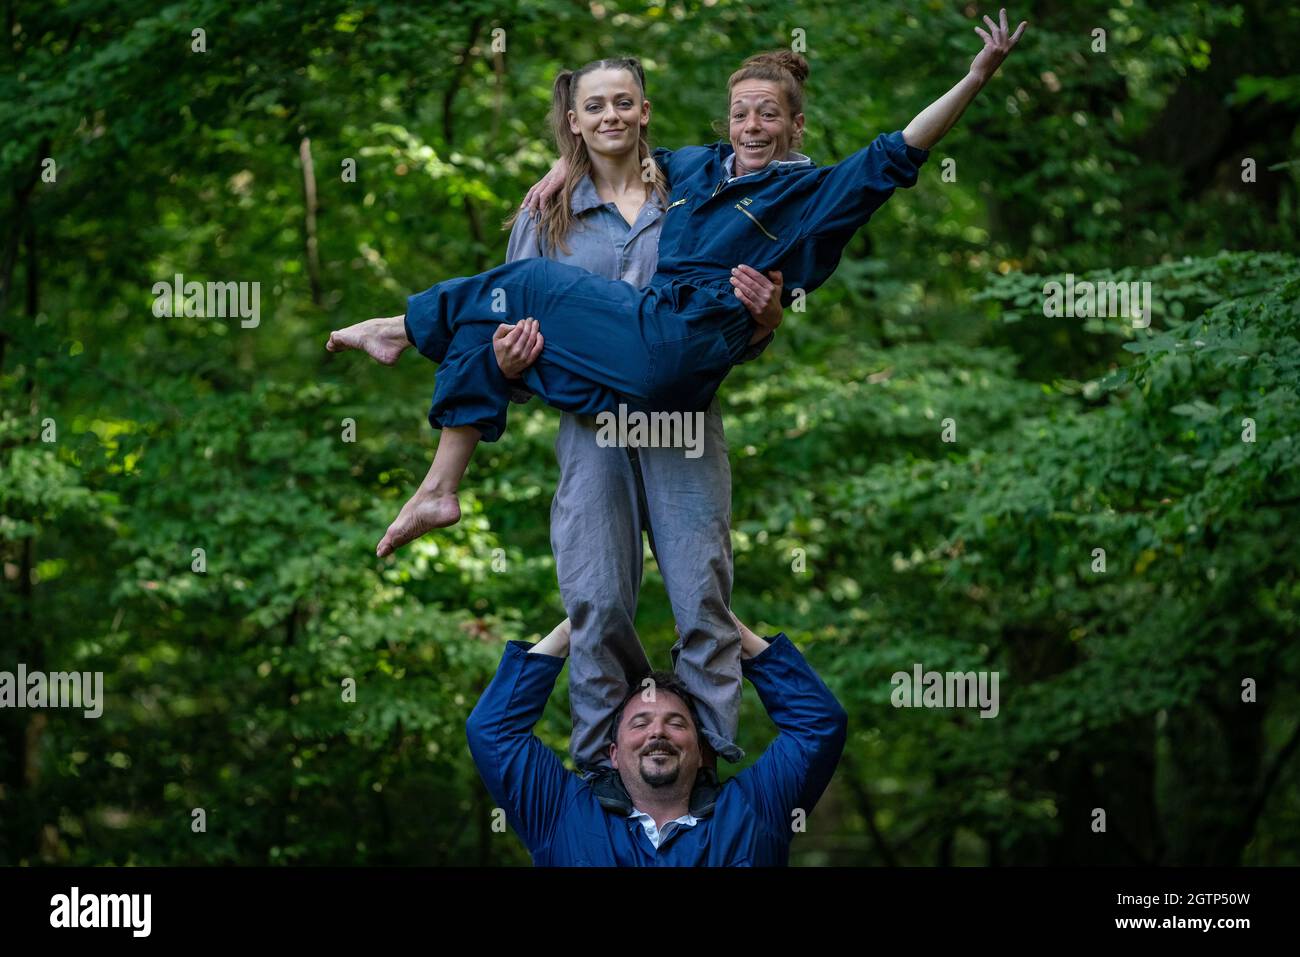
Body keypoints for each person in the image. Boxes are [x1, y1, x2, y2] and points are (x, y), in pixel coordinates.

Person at [326, 11, 1028, 557]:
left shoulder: (812, 194)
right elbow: (619, 146)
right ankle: (439, 488)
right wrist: (564, 169)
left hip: (678, 352)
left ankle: (398, 327)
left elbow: (900, 151)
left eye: (769, 115)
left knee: (531, 281)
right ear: (727, 120)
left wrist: (976, 76)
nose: (753, 126)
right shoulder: (696, 171)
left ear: (795, 125)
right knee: (486, 330)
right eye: (741, 113)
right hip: (635, 363)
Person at [490, 57, 785, 791]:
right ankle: (600, 765)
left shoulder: (692, 194)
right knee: (595, 596)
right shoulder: (544, 215)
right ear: (575, 119)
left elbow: (728, 322)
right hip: (592, 427)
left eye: (625, 101)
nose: (612, 115)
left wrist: (765, 323)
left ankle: (708, 756)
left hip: (683, 423)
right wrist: (508, 362)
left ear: (646, 110)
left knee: (701, 590)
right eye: (596, 106)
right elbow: (508, 319)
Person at [466, 612, 847, 866]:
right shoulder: (560, 814)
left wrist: (736, 635)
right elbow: (493, 732)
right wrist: (574, 627)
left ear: (701, 750)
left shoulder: (754, 809)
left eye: (676, 723)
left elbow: (818, 724)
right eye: (640, 723)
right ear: (613, 753)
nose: (657, 732)